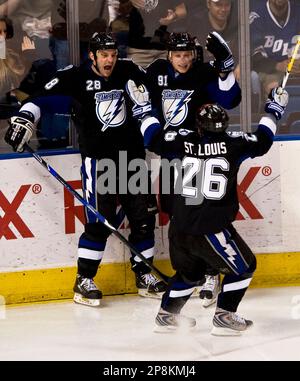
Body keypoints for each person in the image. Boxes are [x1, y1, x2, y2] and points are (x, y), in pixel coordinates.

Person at [4, 32, 167, 305]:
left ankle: (144, 275)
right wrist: (24, 119)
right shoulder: (74, 78)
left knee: (143, 220)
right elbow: (39, 100)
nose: (110, 60)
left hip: (133, 159)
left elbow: (156, 94)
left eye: (113, 55)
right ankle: (84, 280)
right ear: (92, 55)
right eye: (104, 55)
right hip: (99, 162)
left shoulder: (130, 71)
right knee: (99, 222)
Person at [139, 85, 289, 334]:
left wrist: (144, 111)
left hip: (181, 225)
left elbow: (152, 138)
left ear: (198, 126)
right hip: (210, 227)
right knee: (245, 266)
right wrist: (273, 110)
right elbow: (263, 141)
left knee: (190, 273)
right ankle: (225, 316)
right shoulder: (234, 144)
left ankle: (167, 315)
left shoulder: (182, 141)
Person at [145, 31, 241, 306]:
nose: (183, 60)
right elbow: (142, 104)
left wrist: (225, 69)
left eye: (187, 55)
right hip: (171, 154)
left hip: (199, 155)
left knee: (203, 213)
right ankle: (189, 273)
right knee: (177, 214)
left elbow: (231, 99)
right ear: (168, 55)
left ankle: (212, 273)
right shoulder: (156, 72)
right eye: (178, 55)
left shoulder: (202, 72)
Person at [250, 0, 300, 98]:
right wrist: (277, 65)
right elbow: (254, 56)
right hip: (271, 70)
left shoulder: (297, 10)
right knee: (275, 89)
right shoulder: (257, 16)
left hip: (296, 68)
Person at [188, 0, 240, 80]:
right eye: (218, 5)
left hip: (232, 74)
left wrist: (241, 65)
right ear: (208, 4)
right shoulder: (196, 24)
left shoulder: (237, 22)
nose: (223, 9)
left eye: (226, 5)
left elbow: (245, 52)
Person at [127, 0, 188, 68]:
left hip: (164, 49)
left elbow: (182, 10)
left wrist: (174, 16)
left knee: (166, 77)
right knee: (136, 77)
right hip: (138, 50)